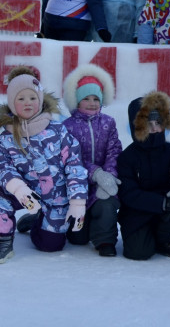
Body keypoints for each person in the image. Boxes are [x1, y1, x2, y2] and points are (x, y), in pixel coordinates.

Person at [0, 67, 88, 263]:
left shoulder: (58, 131)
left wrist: (77, 202)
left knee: (50, 245)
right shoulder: (7, 136)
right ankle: (3, 241)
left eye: (32, 98)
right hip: (24, 192)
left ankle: (39, 220)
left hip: (55, 196)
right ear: (12, 103)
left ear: (40, 100)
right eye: (21, 98)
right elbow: (2, 167)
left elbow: (75, 166)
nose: (27, 103)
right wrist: (19, 189)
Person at [117, 92, 170, 260]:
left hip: (165, 212)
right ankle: (148, 239)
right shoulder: (127, 157)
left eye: (157, 123)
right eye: (147, 123)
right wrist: (161, 203)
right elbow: (128, 193)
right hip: (136, 215)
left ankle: (164, 241)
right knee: (138, 253)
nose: (153, 128)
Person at [59, 64, 122, 257]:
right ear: (77, 100)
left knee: (107, 202)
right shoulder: (67, 126)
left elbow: (114, 150)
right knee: (78, 239)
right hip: (75, 185)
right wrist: (96, 173)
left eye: (96, 98)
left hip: (102, 183)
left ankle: (105, 240)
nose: (92, 103)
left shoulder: (108, 123)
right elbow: (71, 157)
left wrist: (109, 175)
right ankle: (38, 218)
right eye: (86, 98)